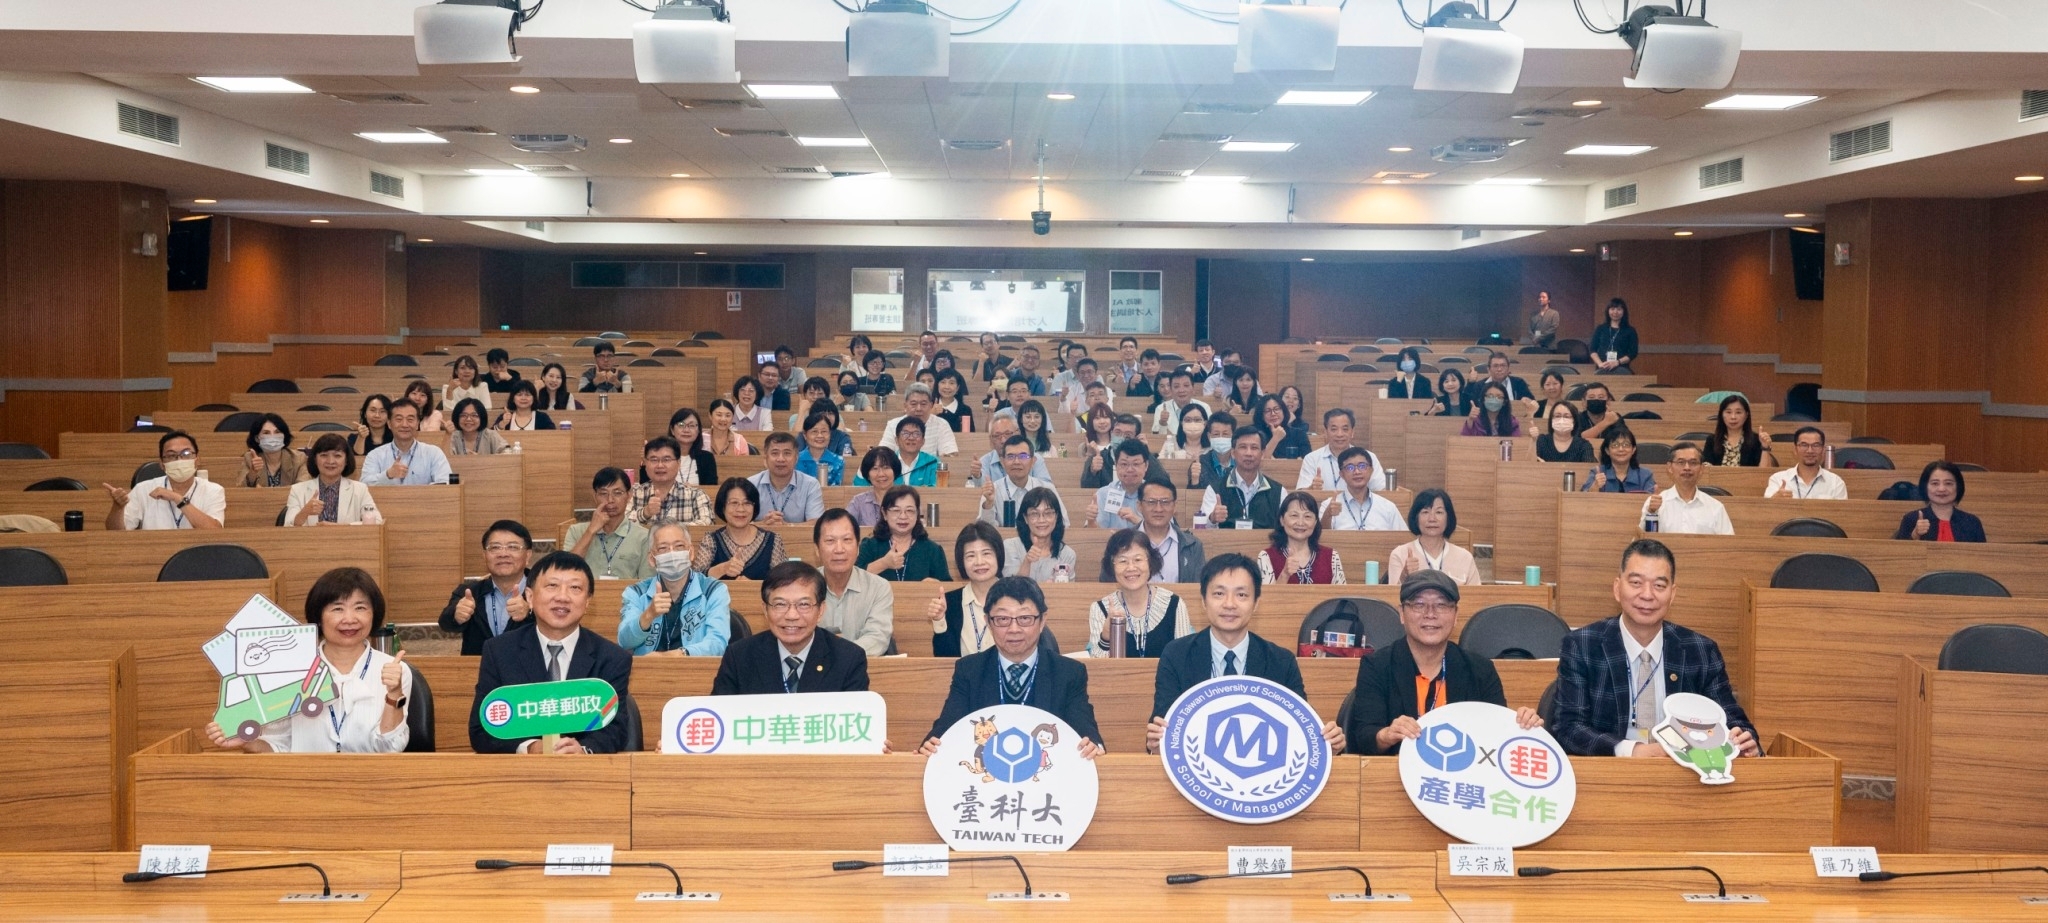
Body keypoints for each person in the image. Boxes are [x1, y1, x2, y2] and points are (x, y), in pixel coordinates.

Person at [1553, 538, 1761, 759]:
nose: (1647, 594)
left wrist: (1746, 740)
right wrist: (1632, 750)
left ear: (1672, 594)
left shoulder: (1700, 651)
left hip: (1684, 779)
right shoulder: (1583, 645)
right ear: (1617, 588)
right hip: (1612, 777)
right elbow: (1568, 728)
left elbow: (1731, 719)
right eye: (1636, 583)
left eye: (1659, 586)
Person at [1144, 554, 1344, 755]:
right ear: (1203, 601)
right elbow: (1162, 724)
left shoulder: (1281, 661)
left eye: (1241, 595)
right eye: (1219, 594)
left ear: (1256, 603)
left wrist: (1327, 744)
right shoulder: (1177, 655)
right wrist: (1156, 742)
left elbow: (1298, 731)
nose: (1229, 604)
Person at [206, 566, 412, 753]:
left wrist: (394, 694)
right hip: (305, 781)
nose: (350, 619)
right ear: (319, 618)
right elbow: (281, 747)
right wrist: (247, 742)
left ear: (374, 615)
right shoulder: (290, 668)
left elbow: (390, 750)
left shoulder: (394, 670)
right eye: (337, 608)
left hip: (372, 783)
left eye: (360, 608)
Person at [1349, 569, 1542, 755]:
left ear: (1456, 615)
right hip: (1394, 777)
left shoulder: (1480, 670)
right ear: (1402, 613)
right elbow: (1363, 737)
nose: (1430, 613)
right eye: (1418, 604)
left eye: (1441, 605)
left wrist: (1521, 725)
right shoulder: (1377, 666)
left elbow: (1496, 736)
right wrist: (1387, 735)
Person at [469, 551, 634, 755]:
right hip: (521, 776)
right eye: (552, 586)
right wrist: (530, 748)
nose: (562, 597)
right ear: (529, 596)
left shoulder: (612, 658)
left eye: (575, 588)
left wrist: (583, 750)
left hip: (583, 776)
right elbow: (482, 729)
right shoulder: (499, 651)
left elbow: (615, 730)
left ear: (588, 601)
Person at [919, 577, 1105, 756]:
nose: (1014, 629)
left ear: (1042, 621)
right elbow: (947, 727)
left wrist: (1093, 745)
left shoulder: (1069, 673)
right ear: (988, 622)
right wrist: (930, 745)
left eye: (1025, 618)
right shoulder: (969, 670)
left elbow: (1085, 729)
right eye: (1003, 619)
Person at [714, 561, 872, 694]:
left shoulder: (848, 659)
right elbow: (720, 719)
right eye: (780, 604)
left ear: (821, 610)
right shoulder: (739, 657)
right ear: (765, 610)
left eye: (803, 604)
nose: (791, 615)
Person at [619, 522, 731, 657]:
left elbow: (718, 643)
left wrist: (679, 655)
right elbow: (624, 642)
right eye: (663, 548)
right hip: (648, 672)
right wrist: (648, 615)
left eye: (679, 546)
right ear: (652, 559)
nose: (672, 553)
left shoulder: (713, 590)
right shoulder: (636, 593)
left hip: (696, 673)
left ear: (691, 553)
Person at [1086, 528, 1193, 657]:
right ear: (1112, 566)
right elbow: (1099, 668)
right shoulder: (1100, 609)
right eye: (1123, 561)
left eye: (1138, 560)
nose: (1131, 568)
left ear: (1150, 562)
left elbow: (1184, 660)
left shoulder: (1174, 604)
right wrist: (1106, 636)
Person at [439, 520, 533, 655]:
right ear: (484, 556)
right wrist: (456, 615)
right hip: (479, 671)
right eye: (495, 547)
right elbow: (445, 623)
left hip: (529, 672)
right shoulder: (469, 592)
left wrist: (530, 613)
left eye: (512, 547)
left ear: (528, 555)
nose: (503, 554)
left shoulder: (544, 590)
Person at [814, 509, 897, 656]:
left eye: (847, 540)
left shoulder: (878, 587)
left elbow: (877, 638)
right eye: (830, 541)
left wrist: (838, 657)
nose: (839, 549)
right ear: (817, 549)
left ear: (858, 547)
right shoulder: (804, 587)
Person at [105, 430, 225, 531]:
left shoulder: (213, 490)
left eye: (186, 453)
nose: (179, 460)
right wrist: (117, 508)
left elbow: (214, 531)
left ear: (197, 460)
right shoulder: (143, 489)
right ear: (162, 464)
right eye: (171, 455)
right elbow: (115, 532)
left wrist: (177, 498)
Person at [928, 521, 1006, 656]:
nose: (979, 562)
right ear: (961, 562)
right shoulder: (950, 602)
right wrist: (939, 620)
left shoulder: (1017, 597)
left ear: (998, 556)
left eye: (986, 553)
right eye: (971, 556)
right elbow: (943, 657)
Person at [566, 467, 655, 582]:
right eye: (603, 493)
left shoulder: (644, 537)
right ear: (594, 496)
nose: (610, 500)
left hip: (627, 598)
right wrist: (591, 531)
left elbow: (647, 582)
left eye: (617, 493)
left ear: (629, 495)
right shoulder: (575, 531)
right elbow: (565, 570)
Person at [696, 478, 786, 580]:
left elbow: (782, 582)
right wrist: (723, 569)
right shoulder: (711, 540)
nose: (740, 509)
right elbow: (696, 579)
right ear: (723, 507)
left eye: (747, 503)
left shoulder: (772, 540)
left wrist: (753, 587)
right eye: (734, 503)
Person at [1199, 425, 1285, 530]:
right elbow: (1201, 530)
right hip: (1226, 545)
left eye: (1254, 448)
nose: (1248, 453)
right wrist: (1212, 519)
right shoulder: (1215, 489)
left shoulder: (1278, 491)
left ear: (1262, 453)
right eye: (1243, 447)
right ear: (1233, 453)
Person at [859, 485, 952, 582]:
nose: (903, 516)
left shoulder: (932, 550)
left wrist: (936, 585)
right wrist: (883, 563)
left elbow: (949, 591)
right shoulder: (870, 546)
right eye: (896, 510)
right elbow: (852, 579)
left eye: (909, 510)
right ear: (884, 513)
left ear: (917, 514)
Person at [285, 434, 382, 526]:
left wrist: (342, 527)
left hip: (347, 542)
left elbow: (377, 521)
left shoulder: (360, 489)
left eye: (337, 456)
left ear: (346, 460)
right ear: (315, 459)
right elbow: (287, 527)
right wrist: (304, 512)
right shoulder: (297, 490)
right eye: (324, 455)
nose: (330, 461)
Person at [1389, 489, 1479, 585]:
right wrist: (1404, 575)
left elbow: (1478, 597)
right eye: (1425, 512)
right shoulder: (1400, 554)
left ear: (1448, 518)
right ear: (1415, 518)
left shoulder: (1464, 557)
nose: (1432, 519)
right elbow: (1391, 597)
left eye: (1439, 512)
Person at [1643, 443, 1733, 535]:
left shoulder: (1715, 507)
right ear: (1670, 467)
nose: (1687, 468)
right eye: (1681, 462)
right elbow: (1642, 542)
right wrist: (1651, 513)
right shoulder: (1654, 504)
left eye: (1693, 463)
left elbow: (1728, 544)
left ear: (1702, 469)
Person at [1259, 491, 1346, 585]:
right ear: (1282, 520)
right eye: (1294, 515)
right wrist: (1285, 574)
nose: (1300, 523)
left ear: (1315, 522)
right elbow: (1267, 598)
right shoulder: (1266, 557)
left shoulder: (1332, 557)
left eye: (1307, 516)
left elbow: (1342, 597)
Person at [630, 436, 713, 528]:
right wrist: (645, 512)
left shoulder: (696, 495)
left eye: (666, 459)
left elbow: (705, 525)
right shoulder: (633, 493)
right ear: (645, 463)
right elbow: (620, 523)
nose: (660, 465)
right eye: (654, 460)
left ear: (679, 463)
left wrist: (666, 530)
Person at [361, 401, 451, 486]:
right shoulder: (375, 455)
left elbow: (445, 482)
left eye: (410, 419)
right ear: (389, 424)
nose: (404, 424)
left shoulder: (433, 453)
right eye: (399, 419)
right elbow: (364, 484)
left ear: (417, 424)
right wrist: (387, 475)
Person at [979, 435, 1060, 528]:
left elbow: (1063, 524)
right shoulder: (993, 489)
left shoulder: (1047, 489)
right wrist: (988, 504)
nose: (1016, 462)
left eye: (1023, 456)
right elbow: (985, 531)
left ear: (1033, 461)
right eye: (1010, 456)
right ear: (1002, 462)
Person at [1895, 460, 1984, 542]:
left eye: (1948, 483)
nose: (1941, 489)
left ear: (1958, 487)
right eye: (1935, 483)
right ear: (1925, 487)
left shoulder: (1972, 522)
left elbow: (1983, 557)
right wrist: (1915, 536)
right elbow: (1901, 556)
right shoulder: (1911, 519)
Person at [1297, 409, 1385, 491]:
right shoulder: (1312, 459)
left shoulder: (1369, 458)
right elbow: (1300, 495)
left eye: (1345, 429)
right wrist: (1312, 489)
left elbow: (1381, 490)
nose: (1339, 434)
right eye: (1334, 429)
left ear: (1352, 432)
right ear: (1325, 432)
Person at [1321, 446, 1404, 531]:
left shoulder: (1388, 507)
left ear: (1371, 470)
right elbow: (1320, 538)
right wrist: (1327, 515)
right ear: (1341, 474)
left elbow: (1403, 538)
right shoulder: (1328, 505)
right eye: (1350, 467)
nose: (1357, 472)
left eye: (1362, 466)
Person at [749, 432, 825, 524]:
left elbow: (815, 523)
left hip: (798, 538)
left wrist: (787, 526)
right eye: (775, 453)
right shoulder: (751, 484)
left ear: (796, 458)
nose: (781, 459)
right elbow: (739, 522)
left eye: (787, 453)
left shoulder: (810, 485)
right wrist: (763, 525)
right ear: (765, 458)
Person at [1006, 486, 1077, 582]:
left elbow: (1066, 593)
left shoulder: (1067, 554)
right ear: (1025, 518)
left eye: (1048, 513)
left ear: (1056, 516)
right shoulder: (1011, 546)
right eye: (1034, 514)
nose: (1042, 520)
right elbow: (1011, 588)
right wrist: (1027, 561)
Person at [1085, 439, 1155, 530]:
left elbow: (1163, 533)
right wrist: (1091, 522)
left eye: (1136, 464)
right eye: (1124, 464)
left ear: (1146, 466)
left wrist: (1137, 521)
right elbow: (1097, 535)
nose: (1130, 469)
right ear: (1116, 466)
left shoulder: (1155, 495)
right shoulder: (1104, 494)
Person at [879, 384, 961, 458]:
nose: (918, 409)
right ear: (905, 406)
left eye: (923, 404)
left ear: (931, 405)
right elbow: (883, 453)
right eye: (914, 404)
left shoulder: (942, 424)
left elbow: (950, 455)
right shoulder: (893, 424)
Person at [1765, 426, 1847, 499]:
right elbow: (1766, 511)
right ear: (1795, 450)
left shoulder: (1836, 483)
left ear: (1823, 450)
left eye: (1815, 445)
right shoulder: (1778, 479)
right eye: (1804, 445)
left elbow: (1843, 514)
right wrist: (1775, 499)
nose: (1810, 451)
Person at [974, 410, 1051, 485]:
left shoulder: (1033, 458)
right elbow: (981, 492)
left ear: (1017, 433)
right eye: (997, 436)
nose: (1003, 440)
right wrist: (978, 477)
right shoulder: (984, 462)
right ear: (991, 440)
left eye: (1007, 434)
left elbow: (1046, 488)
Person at [1703, 394, 1776, 468]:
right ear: (1721, 415)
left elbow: (1764, 473)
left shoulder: (1756, 440)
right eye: (1728, 412)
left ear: (1746, 415)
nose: (1733, 417)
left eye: (1738, 412)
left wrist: (1765, 447)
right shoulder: (1712, 440)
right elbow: (1706, 471)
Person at [1582, 423, 1656, 493]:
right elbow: (1583, 499)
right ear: (1607, 450)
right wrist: (1594, 487)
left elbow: (1650, 499)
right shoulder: (1597, 473)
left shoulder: (1645, 475)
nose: (1621, 449)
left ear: (1633, 450)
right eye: (1615, 445)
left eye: (1626, 445)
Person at [235, 413, 303, 488]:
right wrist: (253, 473)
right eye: (266, 433)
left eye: (277, 432)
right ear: (257, 438)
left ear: (284, 436)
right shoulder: (250, 458)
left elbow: (303, 488)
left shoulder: (299, 459)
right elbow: (241, 490)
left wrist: (269, 493)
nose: (272, 437)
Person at [871, 416, 939, 487]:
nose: (911, 438)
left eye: (916, 434)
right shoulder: (887, 462)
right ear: (896, 440)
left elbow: (936, 491)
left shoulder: (932, 462)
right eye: (905, 434)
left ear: (923, 441)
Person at [667, 408, 723, 483]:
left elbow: (711, 489)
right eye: (681, 425)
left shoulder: (707, 458)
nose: (686, 430)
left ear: (699, 430)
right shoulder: (662, 456)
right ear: (672, 430)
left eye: (692, 425)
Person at [848, 448, 899, 528]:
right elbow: (846, 529)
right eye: (875, 468)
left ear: (895, 471)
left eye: (886, 467)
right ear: (868, 475)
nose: (881, 474)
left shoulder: (906, 500)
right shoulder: (858, 502)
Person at [796, 410, 847, 487]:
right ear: (805, 435)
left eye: (824, 431)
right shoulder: (795, 460)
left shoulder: (838, 461)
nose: (820, 436)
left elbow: (835, 492)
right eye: (814, 431)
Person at [1151, 369, 1210, 435]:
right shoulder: (1161, 408)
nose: (1181, 390)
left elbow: (1209, 433)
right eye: (1176, 386)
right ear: (1171, 389)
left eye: (1186, 386)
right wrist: (1162, 423)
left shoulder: (1204, 407)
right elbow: (1157, 437)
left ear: (1193, 388)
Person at [1254, 394, 1310, 459]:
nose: (1273, 414)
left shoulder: (1299, 434)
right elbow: (1258, 461)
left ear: (1283, 411)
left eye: (1276, 409)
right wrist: (1275, 438)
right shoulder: (1256, 434)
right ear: (1261, 415)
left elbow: (1308, 461)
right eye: (1267, 411)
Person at [1592, 297, 1639, 374]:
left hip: (1622, 369)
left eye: (1619, 309)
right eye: (1612, 309)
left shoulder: (1630, 331)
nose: (1615, 312)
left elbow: (1633, 353)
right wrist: (1600, 363)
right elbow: (1592, 350)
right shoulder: (1600, 328)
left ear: (1624, 312)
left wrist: (1617, 362)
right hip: (1602, 368)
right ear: (1608, 311)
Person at [492, 380, 556, 432]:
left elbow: (552, 435)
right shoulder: (505, 416)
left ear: (534, 398)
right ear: (513, 399)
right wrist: (502, 424)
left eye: (527, 395)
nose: (523, 398)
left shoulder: (542, 418)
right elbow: (491, 437)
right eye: (519, 395)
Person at [350, 393, 394, 457]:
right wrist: (361, 438)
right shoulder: (354, 438)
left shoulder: (396, 439)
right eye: (373, 410)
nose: (377, 415)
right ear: (365, 413)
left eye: (382, 411)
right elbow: (357, 460)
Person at [934, 369, 976, 435]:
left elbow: (970, 437)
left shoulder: (965, 410)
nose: (947, 387)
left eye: (951, 383)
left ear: (958, 388)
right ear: (937, 385)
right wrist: (931, 414)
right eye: (943, 382)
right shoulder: (930, 407)